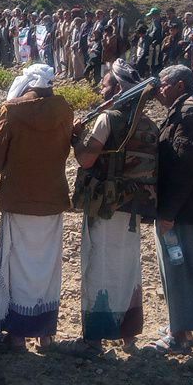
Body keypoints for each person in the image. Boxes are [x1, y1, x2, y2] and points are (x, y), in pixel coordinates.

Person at [68, 60, 157, 354]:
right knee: (128, 268)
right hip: (133, 208)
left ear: (118, 89)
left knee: (98, 266)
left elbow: (87, 160)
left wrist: (74, 138)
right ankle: (128, 335)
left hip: (104, 206)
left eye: (105, 85)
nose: (100, 89)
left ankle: (95, 337)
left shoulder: (108, 119)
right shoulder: (148, 124)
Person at [0, 63, 72, 350]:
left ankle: (18, 335)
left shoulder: (13, 110)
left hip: (19, 199)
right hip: (52, 200)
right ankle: (45, 334)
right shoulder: (65, 109)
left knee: (17, 266)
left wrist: (15, 171)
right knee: (47, 267)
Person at [148, 65, 193, 354]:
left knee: (178, 269)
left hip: (182, 210)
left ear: (179, 85)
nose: (159, 89)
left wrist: (168, 212)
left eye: (164, 84)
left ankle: (179, 335)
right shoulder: (190, 109)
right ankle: (181, 325)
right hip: (188, 206)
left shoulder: (189, 114)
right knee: (184, 267)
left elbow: (184, 168)